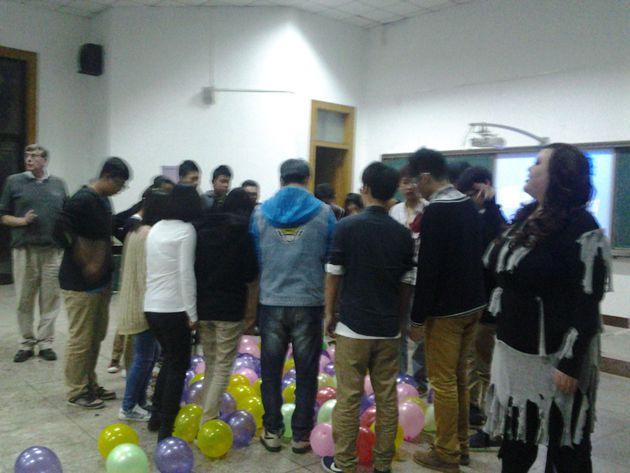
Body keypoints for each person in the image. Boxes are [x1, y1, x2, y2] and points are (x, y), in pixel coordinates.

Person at [483, 143, 611, 473]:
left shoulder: (582, 226)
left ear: (559, 176)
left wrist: (570, 362)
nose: (530, 168)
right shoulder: (528, 216)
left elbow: (587, 301)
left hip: (555, 360)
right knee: (516, 447)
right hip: (515, 356)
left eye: (538, 163)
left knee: (567, 449)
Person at [321, 162, 414, 473]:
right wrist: (399, 320)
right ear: (392, 192)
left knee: (348, 397)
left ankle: (344, 463)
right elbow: (407, 284)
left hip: (352, 326)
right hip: (388, 328)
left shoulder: (347, 227)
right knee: (386, 398)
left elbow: (334, 274)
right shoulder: (403, 235)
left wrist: (329, 313)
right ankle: (383, 463)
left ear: (365, 189)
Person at [407, 148, 486, 473]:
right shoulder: (468, 204)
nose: (416, 188)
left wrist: (417, 318)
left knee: (442, 382)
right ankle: (460, 445)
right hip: (473, 305)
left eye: (416, 181)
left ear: (426, 177)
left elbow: (429, 270)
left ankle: (446, 453)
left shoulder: (437, 211)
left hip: (446, 311)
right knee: (458, 378)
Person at [250, 159, 336, 454]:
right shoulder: (324, 213)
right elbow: (330, 257)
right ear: (307, 178)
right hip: (309, 302)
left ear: (281, 178)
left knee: (271, 371)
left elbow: (257, 257)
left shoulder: (259, 213)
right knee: (306, 372)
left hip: (271, 301)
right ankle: (301, 435)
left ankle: (272, 431)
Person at [58, 157, 131, 409]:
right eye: (119, 184)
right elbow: (61, 230)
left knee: (95, 337)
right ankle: (76, 390)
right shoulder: (82, 200)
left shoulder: (103, 200)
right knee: (81, 339)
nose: (120, 189)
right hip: (79, 284)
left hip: (101, 282)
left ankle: (90, 383)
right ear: (107, 177)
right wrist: (84, 259)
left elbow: (108, 229)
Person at [144, 184, 203, 441]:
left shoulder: (156, 228)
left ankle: (156, 416)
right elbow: (185, 273)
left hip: (152, 306)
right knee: (179, 365)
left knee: (168, 360)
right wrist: (193, 313)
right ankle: (167, 428)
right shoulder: (186, 230)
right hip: (174, 308)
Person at [196, 188, 259, 423]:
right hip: (230, 308)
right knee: (223, 365)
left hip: (203, 305)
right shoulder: (242, 233)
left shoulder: (203, 229)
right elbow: (250, 273)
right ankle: (208, 419)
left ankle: (203, 410)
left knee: (211, 362)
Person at [0, 144, 68, 363]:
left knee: (50, 299)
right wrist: (22, 221)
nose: (29, 159)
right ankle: (26, 343)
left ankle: (46, 342)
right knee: (24, 299)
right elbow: (3, 216)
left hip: (52, 251)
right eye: (27, 155)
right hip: (25, 250)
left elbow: (66, 214)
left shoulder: (58, 184)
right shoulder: (14, 182)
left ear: (45, 161)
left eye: (35, 156)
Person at [455, 166, 508, 434]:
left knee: (481, 360)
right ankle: (472, 406)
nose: (470, 198)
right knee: (469, 360)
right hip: (467, 300)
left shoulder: (495, 218)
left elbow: (490, 248)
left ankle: (481, 411)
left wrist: (490, 204)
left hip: (488, 303)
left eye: (473, 193)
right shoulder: (467, 215)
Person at [117, 190, 168, 422]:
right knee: (144, 357)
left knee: (149, 354)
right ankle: (128, 406)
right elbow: (149, 272)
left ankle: (139, 401)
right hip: (144, 303)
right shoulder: (149, 234)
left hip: (137, 300)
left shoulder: (136, 230)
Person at [388, 165, 428, 391]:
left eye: (413, 181)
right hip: (400, 278)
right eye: (405, 182)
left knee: (421, 329)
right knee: (399, 328)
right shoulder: (395, 211)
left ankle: (421, 379)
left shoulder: (429, 209)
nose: (410, 186)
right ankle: (401, 377)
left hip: (423, 278)